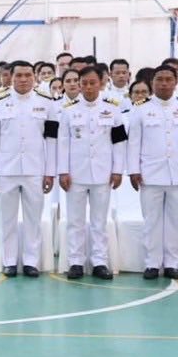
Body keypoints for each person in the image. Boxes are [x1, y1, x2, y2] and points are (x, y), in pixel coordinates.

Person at [0, 61, 58, 277]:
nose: (23, 79)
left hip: (35, 169)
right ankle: (9, 261)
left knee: (34, 219)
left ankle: (31, 262)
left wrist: (50, 172)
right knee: (7, 219)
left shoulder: (46, 102)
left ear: (34, 77)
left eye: (28, 75)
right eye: (19, 75)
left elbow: (52, 140)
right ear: (11, 77)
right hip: (7, 170)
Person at [127, 66, 178, 279]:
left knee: (174, 221)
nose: (164, 83)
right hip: (149, 174)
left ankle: (172, 263)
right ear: (152, 82)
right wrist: (133, 170)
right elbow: (133, 143)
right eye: (159, 79)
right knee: (151, 221)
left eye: (169, 79)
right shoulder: (141, 109)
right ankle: (152, 263)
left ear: (176, 82)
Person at [56, 65, 126, 280]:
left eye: (92, 83)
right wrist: (63, 171)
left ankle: (99, 262)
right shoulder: (68, 110)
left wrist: (117, 170)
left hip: (103, 173)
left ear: (101, 83)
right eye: (84, 83)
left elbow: (119, 142)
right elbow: (62, 143)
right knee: (75, 221)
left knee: (99, 221)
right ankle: (75, 262)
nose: (88, 87)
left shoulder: (113, 108)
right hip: (75, 173)